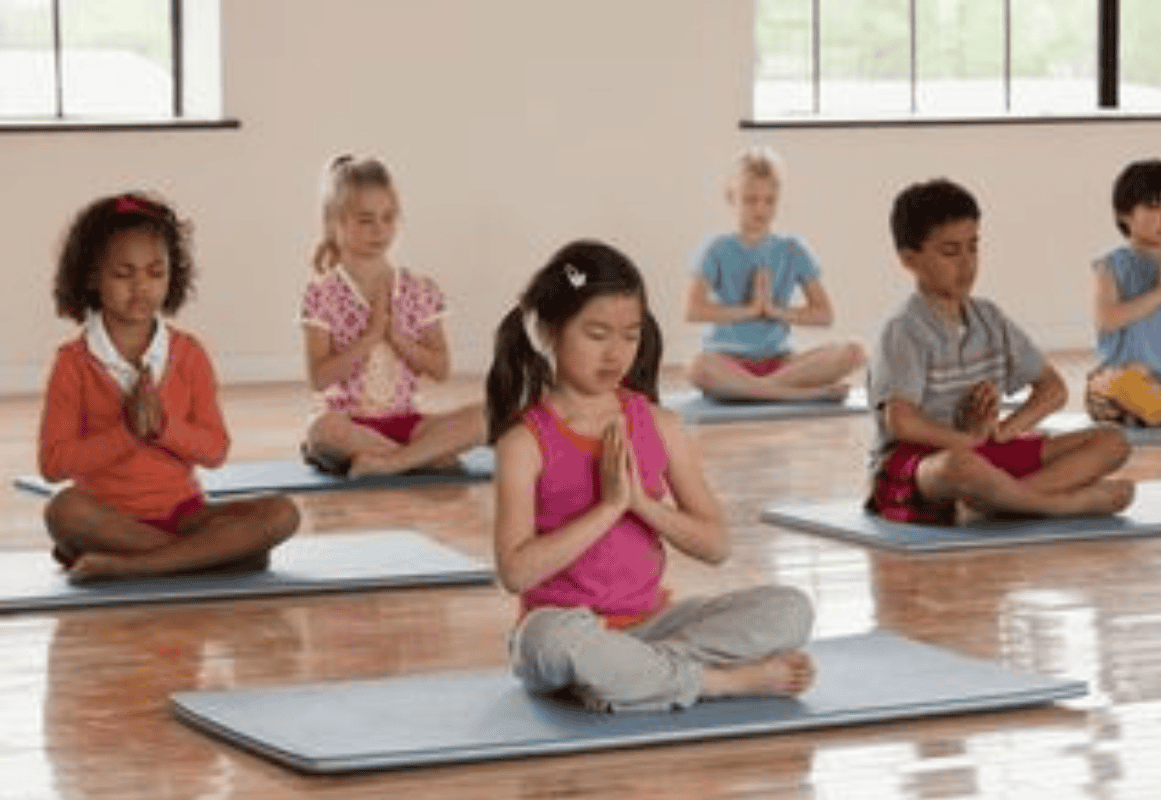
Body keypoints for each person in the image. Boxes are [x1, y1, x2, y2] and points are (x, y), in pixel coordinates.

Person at [488, 239, 815, 712]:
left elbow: (716, 545)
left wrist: (642, 503)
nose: (615, 353)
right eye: (597, 334)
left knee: (790, 609)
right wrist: (609, 507)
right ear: (550, 331)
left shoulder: (661, 426)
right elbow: (515, 573)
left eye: (630, 335)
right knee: (546, 639)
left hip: (655, 622)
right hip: (567, 631)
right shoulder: (524, 443)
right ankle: (716, 682)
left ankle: (630, 675)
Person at [39, 193, 299, 583]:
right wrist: (127, 434)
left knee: (283, 512)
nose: (141, 287)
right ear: (92, 275)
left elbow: (215, 451)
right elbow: (53, 463)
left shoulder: (190, 355)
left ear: (171, 275)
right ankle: (213, 558)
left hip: (185, 515)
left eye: (155, 273)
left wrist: (162, 427)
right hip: (106, 517)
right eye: (124, 274)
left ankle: (135, 563)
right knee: (62, 511)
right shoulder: (72, 363)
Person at [866, 179, 1134, 526]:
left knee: (1113, 442)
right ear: (909, 259)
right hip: (926, 465)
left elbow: (1053, 390)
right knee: (960, 465)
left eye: (973, 247)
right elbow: (901, 422)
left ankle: (1003, 500)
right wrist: (966, 440)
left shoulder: (991, 319)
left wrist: (1006, 430)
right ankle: (1055, 504)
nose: (966, 264)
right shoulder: (903, 330)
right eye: (950, 252)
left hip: (987, 450)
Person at [300, 155, 484, 477]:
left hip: (409, 423)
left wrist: (397, 339)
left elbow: (440, 369)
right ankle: (424, 459)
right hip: (349, 424)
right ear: (335, 222)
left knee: (487, 417)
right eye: (366, 220)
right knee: (321, 430)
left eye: (388, 218)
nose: (380, 230)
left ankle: (391, 462)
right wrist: (369, 338)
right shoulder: (321, 295)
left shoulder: (421, 290)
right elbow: (319, 377)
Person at [684, 146, 865, 401]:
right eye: (750, 200)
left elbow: (824, 315)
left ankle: (755, 391)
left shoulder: (793, 249)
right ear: (730, 197)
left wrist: (773, 310)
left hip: (782, 363)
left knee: (855, 352)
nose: (761, 209)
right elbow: (693, 310)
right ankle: (796, 395)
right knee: (696, 368)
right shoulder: (716, 248)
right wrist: (750, 310)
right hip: (727, 362)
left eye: (769, 201)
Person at [1086, 158, 1161, 426]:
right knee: (1123, 385)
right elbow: (1108, 318)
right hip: (1127, 374)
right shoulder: (1110, 266)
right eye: (1153, 208)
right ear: (1124, 215)